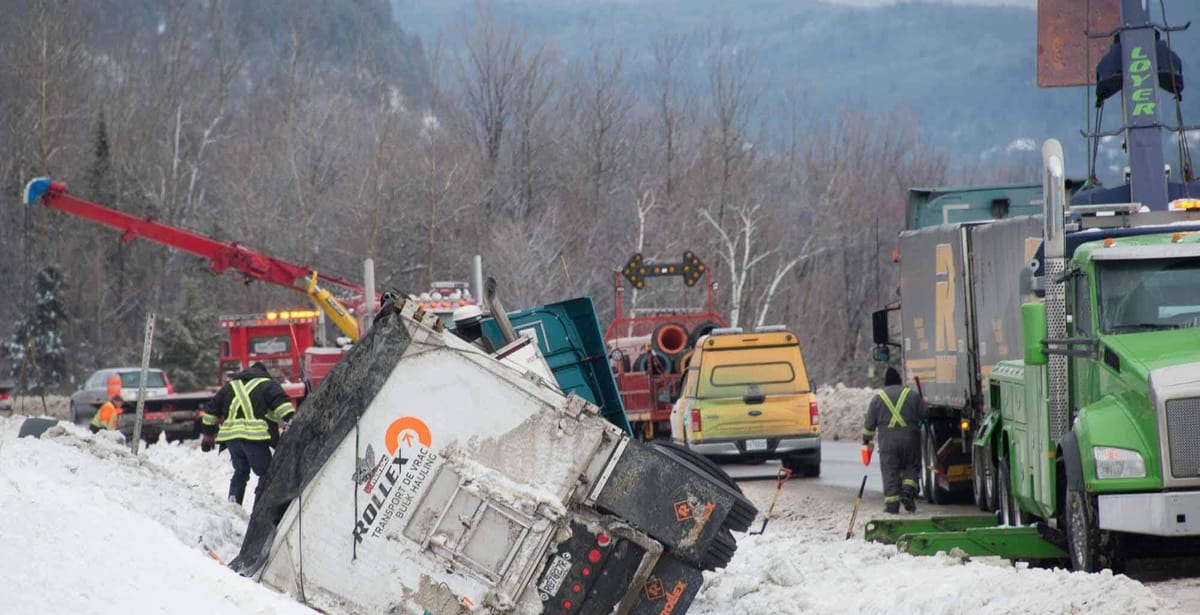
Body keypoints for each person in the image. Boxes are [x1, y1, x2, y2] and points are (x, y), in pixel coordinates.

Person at [200, 362, 295, 506]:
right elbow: (281, 405)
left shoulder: (229, 387)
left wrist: (208, 434)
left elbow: (211, 412)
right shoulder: (267, 384)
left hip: (232, 439)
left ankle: (233, 503)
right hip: (253, 438)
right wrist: (292, 420)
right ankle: (262, 508)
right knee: (267, 474)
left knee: (241, 471)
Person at [863, 367, 926, 514]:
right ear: (900, 381)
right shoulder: (912, 395)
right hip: (910, 439)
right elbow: (925, 414)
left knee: (890, 471)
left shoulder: (878, 399)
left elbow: (869, 427)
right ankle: (908, 491)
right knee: (911, 466)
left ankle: (892, 506)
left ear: (886, 383)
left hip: (888, 443)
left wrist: (866, 441)